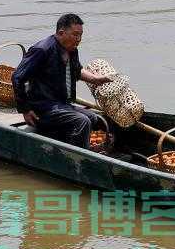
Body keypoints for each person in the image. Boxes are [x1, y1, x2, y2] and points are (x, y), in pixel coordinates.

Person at [12, 13, 112, 149]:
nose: (79, 39)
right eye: (75, 35)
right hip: (43, 109)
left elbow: (77, 71)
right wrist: (25, 109)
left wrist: (95, 79)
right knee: (82, 121)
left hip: (62, 105)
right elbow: (17, 77)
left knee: (93, 118)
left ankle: (68, 142)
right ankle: (79, 158)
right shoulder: (42, 50)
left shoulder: (71, 50)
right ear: (61, 32)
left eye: (81, 35)